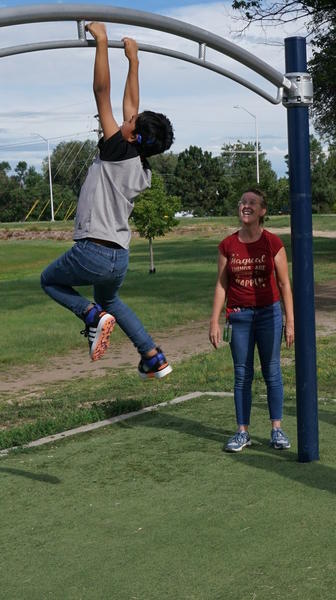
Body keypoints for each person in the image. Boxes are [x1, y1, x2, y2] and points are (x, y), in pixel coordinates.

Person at [40, 22, 174, 379]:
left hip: (92, 251)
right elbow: (132, 107)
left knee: (49, 281)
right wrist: (134, 61)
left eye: (131, 122)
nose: (127, 119)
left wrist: (101, 43)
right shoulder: (139, 163)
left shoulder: (117, 149)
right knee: (112, 300)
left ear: (133, 135)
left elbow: (102, 92)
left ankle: (90, 316)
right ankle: (153, 357)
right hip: (119, 256)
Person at [209, 188, 295, 452]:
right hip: (239, 316)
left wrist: (289, 321)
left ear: (262, 211)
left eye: (252, 203)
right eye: (242, 202)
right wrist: (214, 321)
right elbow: (222, 285)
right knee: (242, 374)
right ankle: (242, 432)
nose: (245, 206)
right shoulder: (227, 245)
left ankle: (277, 430)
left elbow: (283, 283)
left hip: (269, 313)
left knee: (271, 370)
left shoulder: (273, 243)